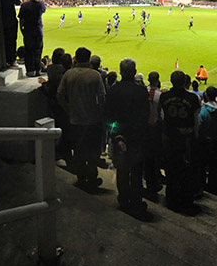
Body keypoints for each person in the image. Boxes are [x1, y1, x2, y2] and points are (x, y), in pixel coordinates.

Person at [104, 57, 152, 221]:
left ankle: (124, 200)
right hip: (136, 139)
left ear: (120, 72)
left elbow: (108, 117)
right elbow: (144, 116)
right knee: (136, 172)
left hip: (120, 139)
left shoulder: (113, 90)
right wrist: (135, 136)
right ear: (134, 71)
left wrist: (117, 136)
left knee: (122, 170)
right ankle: (136, 202)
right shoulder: (141, 91)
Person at [58, 47, 106, 190]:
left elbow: (59, 95)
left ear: (76, 58)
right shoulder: (95, 75)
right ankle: (91, 178)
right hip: (92, 121)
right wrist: (101, 113)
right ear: (89, 59)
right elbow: (102, 98)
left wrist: (68, 110)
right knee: (92, 151)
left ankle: (81, 179)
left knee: (78, 151)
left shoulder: (69, 74)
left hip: (75, 120)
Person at [158, 70, 201, 214]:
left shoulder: (164, 96)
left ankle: (171, 199)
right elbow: (195, 120)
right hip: (185, 139)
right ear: (185, 82)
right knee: (185, 170)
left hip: (169, 138)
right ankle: (185, 199)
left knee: (170, 169)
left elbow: (161, 117)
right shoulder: (193, 98)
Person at [198, 86, 217, 195]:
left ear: (206, 95)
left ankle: (202, 187)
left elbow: (199, 127)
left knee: (203, 166)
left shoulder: (203, 112)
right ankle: (214, 186)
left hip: (206, 143)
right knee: (215, 167)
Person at [143, 71, 164, 201]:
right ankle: (155, 180)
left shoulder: (143, 91)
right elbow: (162, 115)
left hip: (144, 127)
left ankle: (148, 177)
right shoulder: (160, 95)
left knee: (146, 154)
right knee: (155, 155)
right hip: (155, 128)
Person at [18, 0, 47, 78]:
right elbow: (43, 10)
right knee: (38, 51)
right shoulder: (40, 4)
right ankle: (38, 69)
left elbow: (21, 20)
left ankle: (30, 70)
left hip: (27, 31)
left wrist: (22, 30)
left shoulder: (24, 5)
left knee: (29, 51)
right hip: (38, 30)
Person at [0, 0, 22, 67]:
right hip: (10, 22)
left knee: (1, 41)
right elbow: (19, 2)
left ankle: (1, 58)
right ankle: (11, 59)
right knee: (11, 41)